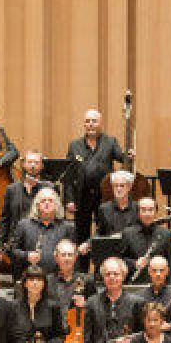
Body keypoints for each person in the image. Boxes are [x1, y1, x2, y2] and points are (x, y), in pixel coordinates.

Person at [65, 108, 127, 252]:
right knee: (81, 235)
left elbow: (122, 158)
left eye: (94, 121)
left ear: (100, 123)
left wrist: (129, 155)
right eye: (88, 121)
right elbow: (69, 175)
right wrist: (69, 199)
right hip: (82, 197)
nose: (91, 124)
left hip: (104, 197)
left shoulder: (111, 142)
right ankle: (82, 271)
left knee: (104, 233)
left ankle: (102, 268)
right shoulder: (74, 145)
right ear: (84, 124)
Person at [0, 150, 49, 264]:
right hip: (17, 246)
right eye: (30, 162)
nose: (33, 165)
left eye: (36, 162)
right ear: (23, 164)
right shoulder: (12, 189)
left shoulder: (49, 188)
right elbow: (5, 219)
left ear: (42, 165)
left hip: (41, 243)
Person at [9, 186, 75, 281]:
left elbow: (74, 257)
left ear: (56, 205)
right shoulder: (24, 225)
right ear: (37, 205)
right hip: (31, 280)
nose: (47, 203)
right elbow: (12, 250)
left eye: (50, 200)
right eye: (43, 200)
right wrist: (27, 255)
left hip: (58, 282)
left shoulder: (68, 227)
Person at [122, 198, 171, 281]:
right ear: (138, 212)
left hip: (159, 285)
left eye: (151, 210)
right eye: (143, 210)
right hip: (135, 285)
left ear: (155, 212)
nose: (147, 214)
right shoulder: (128, 233)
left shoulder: (166, 234)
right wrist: (135, 264)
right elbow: (121, 260)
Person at [136, 256, 171, 327]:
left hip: (170, 336)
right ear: (149, 271)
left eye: (161, 270)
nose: (158, 274)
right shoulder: (138, 297)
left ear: (167, 271)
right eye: (154, 270)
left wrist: (170, 326)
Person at [95, 170, 140, 237]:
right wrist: (88, 243)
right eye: (116, 186)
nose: (118, 189)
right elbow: (100, 233)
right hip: (111, 246)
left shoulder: (138, 208)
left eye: (122, 186)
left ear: (129, 187)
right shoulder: (104, 208)